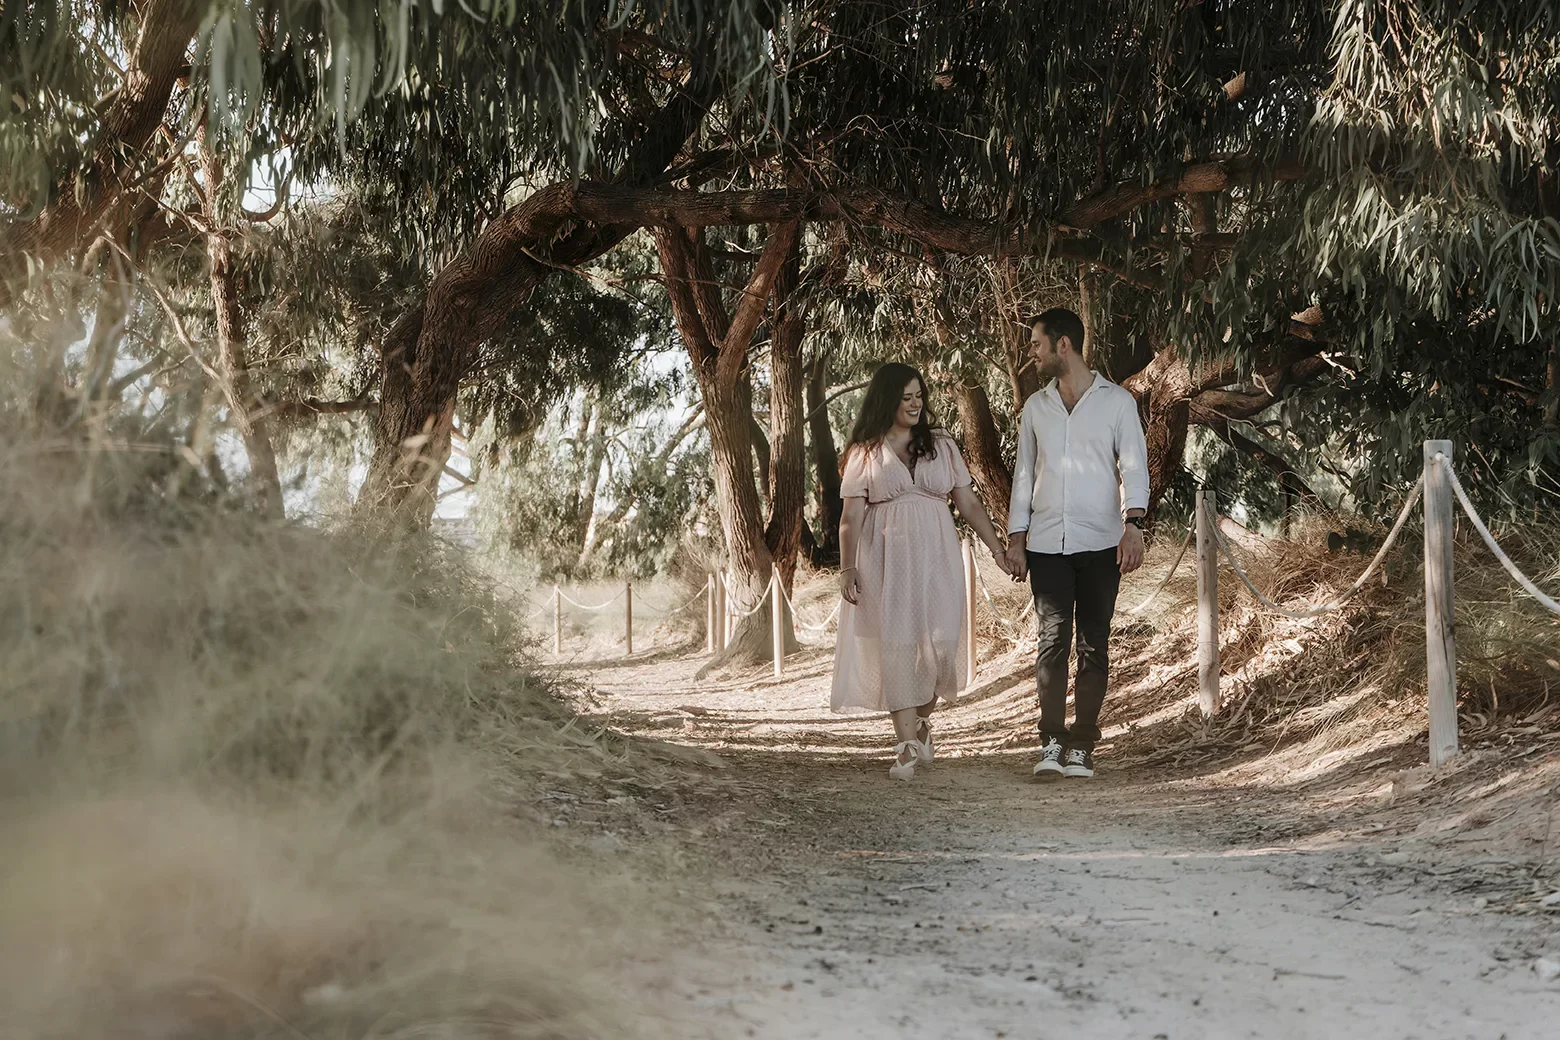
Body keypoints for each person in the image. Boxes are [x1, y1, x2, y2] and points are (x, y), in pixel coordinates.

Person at [831, 363, 1012, 780]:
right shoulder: (865, 452)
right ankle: (907, 745)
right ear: (886, 400)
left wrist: (998, 548)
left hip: (938, 556)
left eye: (919, 396)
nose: (915, 405)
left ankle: (922, 724)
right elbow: (849, 519)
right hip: (885, 560)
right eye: (906, 397)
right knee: (896, 648)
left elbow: (967, 503)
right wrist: (847, 568)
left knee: (941, 647)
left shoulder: (942, 445)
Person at [1004, 308, 1150, 780]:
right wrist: (1017, 538)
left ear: (1062, 345)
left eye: (1036, 343)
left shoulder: (1117, 403)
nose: (1032, 352)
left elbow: (1134, 467)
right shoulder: (1035, 408)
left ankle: (1083, 746)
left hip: (1100, 543)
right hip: (1047, 544)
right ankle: (1051, 743)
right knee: (1051, 642)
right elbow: (1023, 476)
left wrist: (1133, 524)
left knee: (1093, 644)